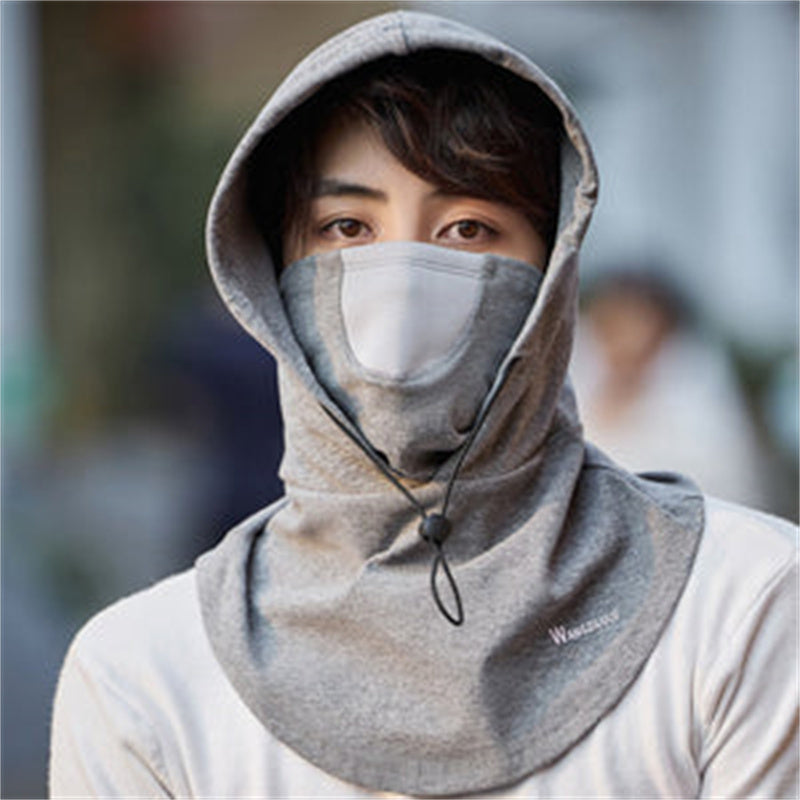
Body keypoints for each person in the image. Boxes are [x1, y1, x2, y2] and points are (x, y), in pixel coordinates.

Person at [49, 11, 798, 798]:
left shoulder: (741, 606)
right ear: (270, 277)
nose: (403, 286)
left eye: (468, 229)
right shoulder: (146, 679)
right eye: (347, 227)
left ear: (553, 274)